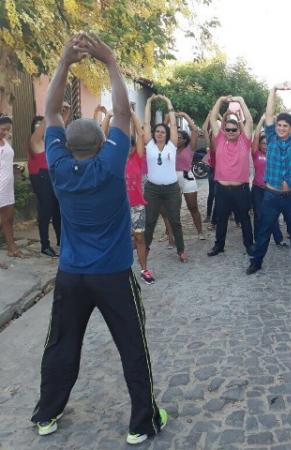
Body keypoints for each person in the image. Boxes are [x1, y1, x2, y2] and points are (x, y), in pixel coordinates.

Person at [31, 33, 166, 444]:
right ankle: (142, 422)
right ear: (102, 143)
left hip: (71, 274)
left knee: (60, 344)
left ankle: (46, 414)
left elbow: (50, 111)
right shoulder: (110, 166)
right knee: (132, 347)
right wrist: (110, 60)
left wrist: (63, 63)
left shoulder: (57, 165)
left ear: (66, 145)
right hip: (112, 274)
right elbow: (124, 114)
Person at [246, 82, 291, 276]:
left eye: (285, 126)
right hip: (271, 195)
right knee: (264, 231)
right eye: (279, 125)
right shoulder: (271, 137)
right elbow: (269, 113)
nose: (281, 128)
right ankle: (256, 262)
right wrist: (273, 91)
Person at [103, 109, 155, 285]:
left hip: (137, 206)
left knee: (140, 238)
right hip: (117, 207)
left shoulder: (138, 159)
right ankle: (119, 270)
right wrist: (109, 117)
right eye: (126, 146)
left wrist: (132, 112)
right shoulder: (113, 159)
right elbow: (103, 139)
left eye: (131, 146)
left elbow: (140, 134)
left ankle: (144, 269)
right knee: (119, 239)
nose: (129, 149)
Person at [142, 94, 188, 262]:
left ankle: (181, 250)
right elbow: (146, 123)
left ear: (167, 134)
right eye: (157, 131)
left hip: (171, 189)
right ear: (153, 133)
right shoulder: (149, 144)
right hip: (152, 189)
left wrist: (168, 102)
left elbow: (174, 124)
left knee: (175, 220)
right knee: (150, 221)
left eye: (163, 131)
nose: (159, 133)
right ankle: (145, 249)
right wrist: (148, 102)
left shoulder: (172, 145)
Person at [207, 96, 254, 256]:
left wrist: (241, 101)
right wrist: (219, 100)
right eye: (227, 129)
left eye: (234, 130)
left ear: (239, 131)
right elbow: (213, 118)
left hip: (240, 189)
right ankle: (219, 246)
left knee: (245, 219)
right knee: (221, 219)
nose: (231, 132)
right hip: (222, 189)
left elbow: (249, 120)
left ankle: (249, 245)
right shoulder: (219, 139)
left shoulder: (244, 141)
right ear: (224, 130)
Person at [29, 112, 65, 257]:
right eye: (37, 126)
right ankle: (45, 245)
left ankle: (61, 241)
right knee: (45, 212)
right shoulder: (34, 141)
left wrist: (62, 113)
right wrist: (50, 112)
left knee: (57, 211)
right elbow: (45, 125)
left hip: (51, 177)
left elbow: (59, 126)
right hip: (41, 177)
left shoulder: (47, 141)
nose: (41, 128)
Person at [251, 114, 286, 247]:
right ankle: (257, 239)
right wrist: (261, 120)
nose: (265, 145)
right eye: (263, 143)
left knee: (273, 214)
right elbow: (255, 139)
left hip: (272, 189)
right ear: (259, 145)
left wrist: (276, 124)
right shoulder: (256, 154)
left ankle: (278, 239)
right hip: (258, 189)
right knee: (259, 215)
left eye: (267, 143)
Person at [175, 112, 206, 240]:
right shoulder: (168, 147)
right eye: (176, 136)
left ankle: (200, 232)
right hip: (172, 179)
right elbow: (165, 128)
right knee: (172, 209)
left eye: (180, 137)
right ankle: (169, 233)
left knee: (192, 206)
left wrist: (184, 115)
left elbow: (194, 130)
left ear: (185, 139)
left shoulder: (190, 148)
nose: (177, 138)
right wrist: (168, 117)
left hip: (187, 177)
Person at [0, 115, 22, 258]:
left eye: (7, 130)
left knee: (9, 218)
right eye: (3, 129)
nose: (5, 132)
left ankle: (11, 248)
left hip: (8, 186)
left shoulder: (5, 141)